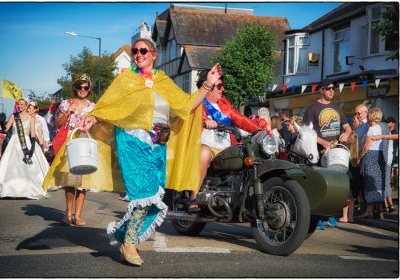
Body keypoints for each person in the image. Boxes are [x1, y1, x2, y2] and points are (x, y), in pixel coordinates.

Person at [44, 35, 222, 266]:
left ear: (154, 55)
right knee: (142, 192)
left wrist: (207, 83)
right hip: (130, 140)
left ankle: (126, 236)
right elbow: (109, 104)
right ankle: (129, 243)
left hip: (157, 144)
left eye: (143, 51)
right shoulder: (125, 80)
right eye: (135, 51)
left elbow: (186, 106)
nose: (138, 54)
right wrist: (93, 117)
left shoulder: (164, 81)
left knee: (154, 196)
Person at [188, 69, 266, 211]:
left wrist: (259, 131)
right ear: (209, 87)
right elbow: (191, 115)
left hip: (225, 149)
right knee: (204, 152)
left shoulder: (224, 104)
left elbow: (240, 119)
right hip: (204, 146)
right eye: (219, 86)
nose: (222, 89)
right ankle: (194, 196)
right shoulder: (198, 101)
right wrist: (205, 121)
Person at [43, 74, 95, 227]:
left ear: (89, 88)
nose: (82, 90)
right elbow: (57, 124)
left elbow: (97, 125)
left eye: (85, 87)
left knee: (83, 182)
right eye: (80, 86)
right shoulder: (66, 103)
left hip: (85, 144)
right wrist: (68, 112)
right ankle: (68, 213)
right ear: (75, 87)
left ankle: (78, 215)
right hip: (69, 145)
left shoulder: (92, 106)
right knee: (70, 181)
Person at [303, 78, 352, 229]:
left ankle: (329, 215)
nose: (332, 91)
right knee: (322, 185)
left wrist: (347, 134)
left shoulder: (336, 107)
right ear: (322, 90)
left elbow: (347, 127)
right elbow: (306, 132)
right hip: (320, 152)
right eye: (329, 88)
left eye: (333, 89)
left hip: (337, 152)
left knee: (337, 185)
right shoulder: (312, 108)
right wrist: (322, 142)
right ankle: (317, 217)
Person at [0, 99, 50, 199]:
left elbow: (32, 133)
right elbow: (6, 129)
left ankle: (27, 188)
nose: (20, 106)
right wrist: (2, 123)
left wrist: (32, 147)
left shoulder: (31, 117)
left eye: (22, 104)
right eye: (18, 104)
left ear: (26, 105)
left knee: (26, 167)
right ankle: (10, 188)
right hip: (14, 143)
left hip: (26, 143)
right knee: (12, 166)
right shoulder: (13, 116)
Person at [358, 107, 387, 219]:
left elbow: (366, 146)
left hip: (370, 156)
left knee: (369, 182)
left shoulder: (371, 129)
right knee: (377, 183)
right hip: (379, 156)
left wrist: (360, 157)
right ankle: (379, 211)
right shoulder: (379, 128)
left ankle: (369, 211)